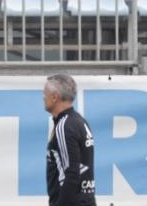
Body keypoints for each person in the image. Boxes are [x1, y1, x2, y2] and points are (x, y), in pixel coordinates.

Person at [44, 74, 96, 206]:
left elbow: (72, 174)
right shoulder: (79, 121)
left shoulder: (64, 126)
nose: (43, 97)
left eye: (45, 93)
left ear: (55, 97)